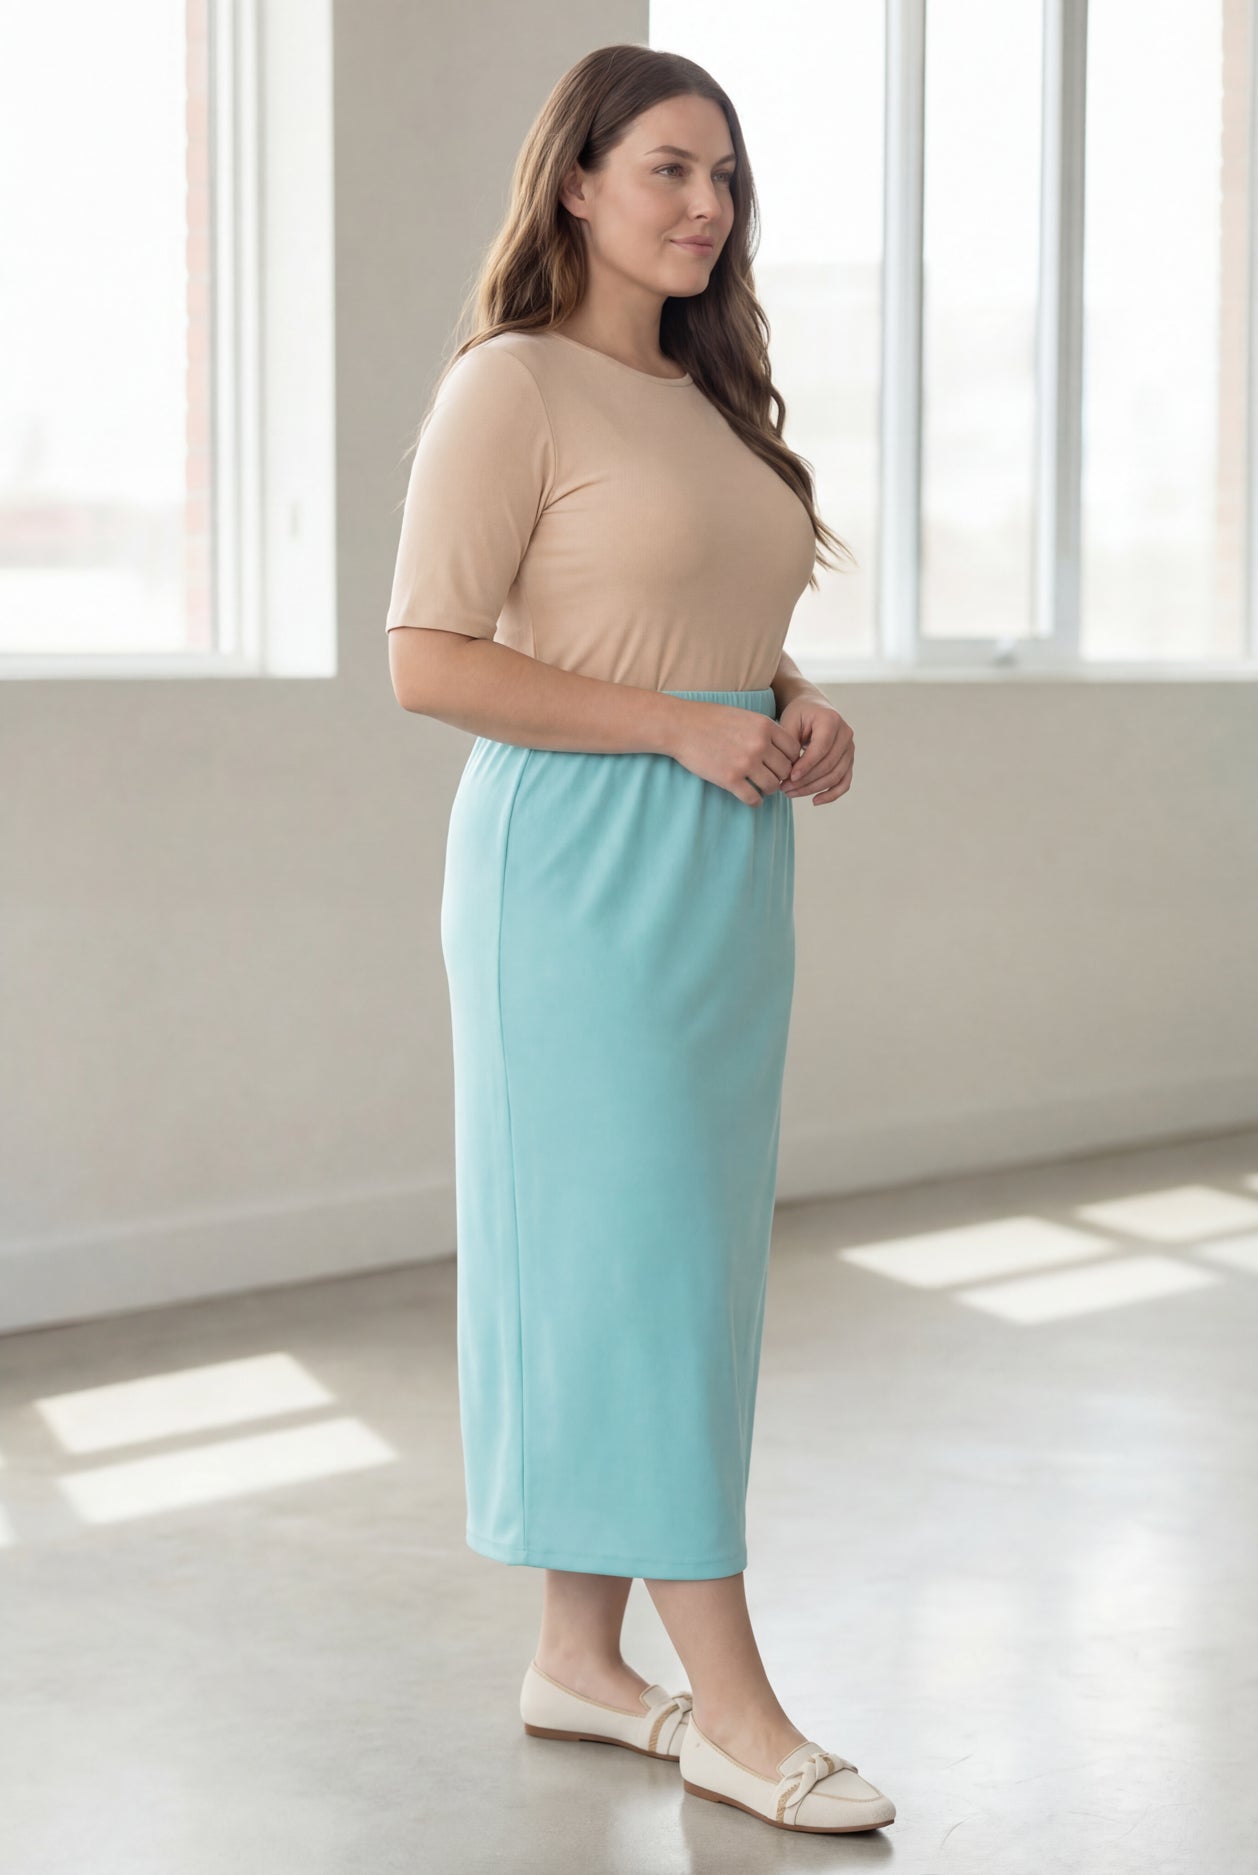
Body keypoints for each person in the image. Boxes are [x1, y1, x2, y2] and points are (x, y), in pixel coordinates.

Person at [385, 42, 894, 1836]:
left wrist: (790, 701)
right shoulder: (507, 386)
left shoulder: (707, 398)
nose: (706, 206)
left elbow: (698, 626)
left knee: (668, 1259)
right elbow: (428, 657)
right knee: (642, 1270)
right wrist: (683, 727)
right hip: (573, 879)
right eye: (670, 170)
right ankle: (740, 1708)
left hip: (722, 868)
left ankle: (581, 1664)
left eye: (726, 178)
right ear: (578, 184)